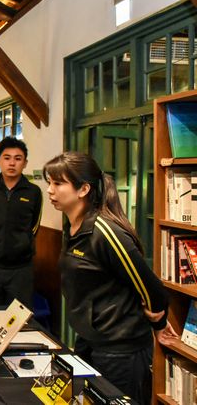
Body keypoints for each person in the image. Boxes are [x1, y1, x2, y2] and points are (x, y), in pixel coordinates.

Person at [43, 151, 177, 404]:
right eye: (49, 182)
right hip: (90, 340)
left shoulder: (105, 232)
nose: (50, 190)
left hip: (120, 349)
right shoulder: (73, 227)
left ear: (83, 189)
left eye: (58, 183)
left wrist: (159, 324)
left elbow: (152, 288)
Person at [0, 136, 42, 309]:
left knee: (18, 318)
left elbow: (34, 226)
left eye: (18, 158)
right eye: (7, 158)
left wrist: (20, 244)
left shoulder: (33, 192)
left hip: (21, 269)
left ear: (25, 163)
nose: (12, 163)